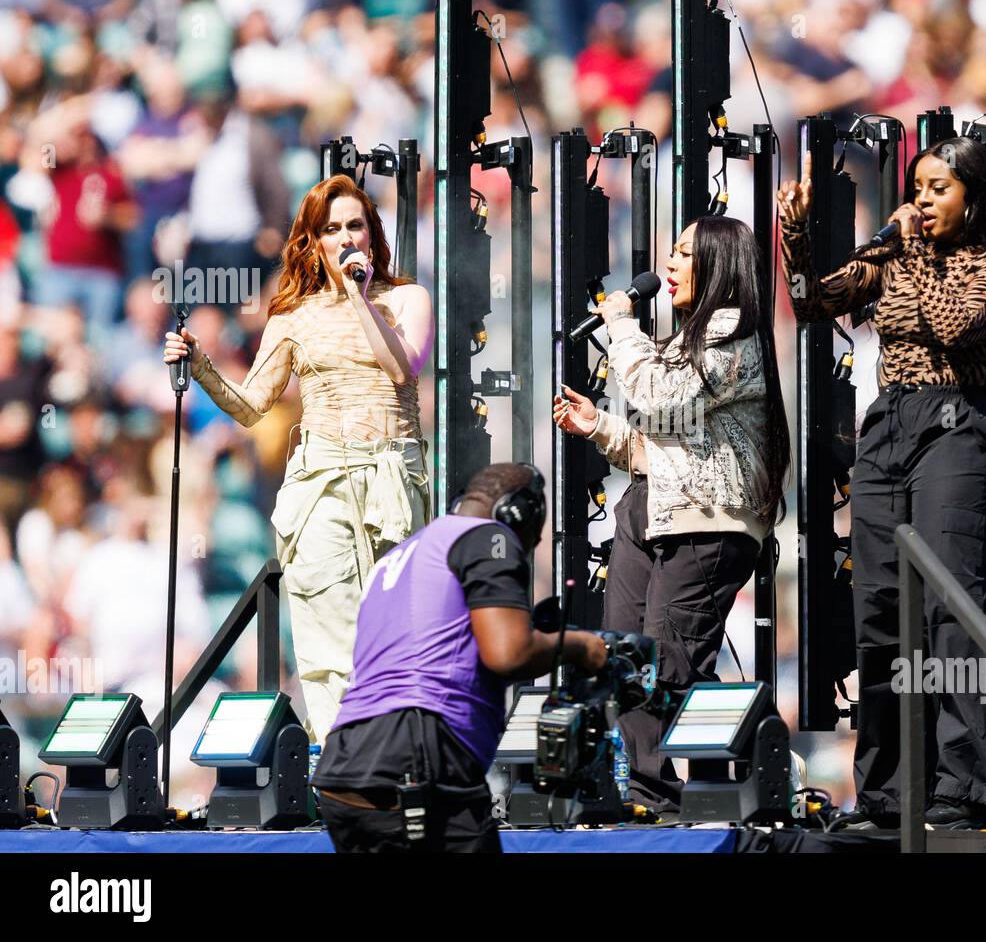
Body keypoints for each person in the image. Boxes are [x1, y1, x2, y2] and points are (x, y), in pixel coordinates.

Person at [779, 137, 986, 830]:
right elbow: (811, 303)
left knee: (952, 603)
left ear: (973, 198)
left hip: (958, 422)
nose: (921, 199)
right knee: (882, 611)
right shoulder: (891, 258)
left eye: (938, 188)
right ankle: (890, 791)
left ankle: (968, 786)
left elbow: (953, 325)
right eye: (917, 186)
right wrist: (795, 234)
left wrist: (908, 250)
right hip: (888, 426)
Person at [163, 173, 434, 746]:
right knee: (330, 644)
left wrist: (361, 298)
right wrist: (201, 365)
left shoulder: (406, 298)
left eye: (354, 224)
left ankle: (394, 766)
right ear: (313, 240)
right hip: (319, 483)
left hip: (391, 478)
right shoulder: (292, 316)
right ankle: (342, 773)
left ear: (372, 232)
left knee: (394, 635)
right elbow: (251, 406)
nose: (345, 237)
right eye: (330, 228)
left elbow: (402, 368)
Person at [553, 216, 791, 815]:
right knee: (627, 660)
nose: (671, 264)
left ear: (719, 264)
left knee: (671, 664)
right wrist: (600, 427)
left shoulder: (736, 341)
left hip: (708, 524)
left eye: (686, 254)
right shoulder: (683, 349)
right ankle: (650, 793)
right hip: (649, 509)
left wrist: (622, 324)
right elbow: (656, 448)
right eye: (673, 251)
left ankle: (758, 751)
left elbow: (656, 395)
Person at [313, 463, 610, 853]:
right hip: (417, 750)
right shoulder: (490, 538)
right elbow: (509, 653)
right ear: (515, 512)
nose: (532, 544)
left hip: (344, 765)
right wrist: (580, 646)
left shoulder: (402, 554)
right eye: (533, 535)